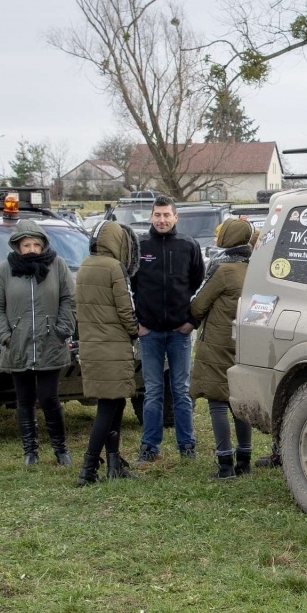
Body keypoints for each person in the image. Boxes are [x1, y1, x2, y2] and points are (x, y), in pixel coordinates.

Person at [0, 224, 77, 467]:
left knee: (49, 398)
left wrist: (62, 330)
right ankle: (30, 451)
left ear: (44, 245)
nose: (32, 249)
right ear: (18, 246)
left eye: (36, 244)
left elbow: (69, 299)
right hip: (18, 344)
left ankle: (60, 449)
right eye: (27, 245)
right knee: (24, 399)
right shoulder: (5, 270)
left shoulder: (57, 266)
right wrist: (6, 336)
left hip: (50, 343)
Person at [130, 196, 204, 461]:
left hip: (179, 332)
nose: (162, 220)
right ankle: (150, 447)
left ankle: (187, 446)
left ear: (176, 218)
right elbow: (129, 286)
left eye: (166, 215)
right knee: (152, 391)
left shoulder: (188, 246)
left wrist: (190, 322)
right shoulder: (139, 246)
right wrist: (137, 324)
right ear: (151, 216)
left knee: (181, 391)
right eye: (157, 215)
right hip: (149, 332)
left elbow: (197, 285)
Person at [75, 221, 140, 484]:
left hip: (92, 346)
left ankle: (114, 462)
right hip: (113, 347)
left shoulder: (84, 266)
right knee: (107, 408)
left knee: (115, 403)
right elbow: (126, 309)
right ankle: (88, 469)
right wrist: (135, 330)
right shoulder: (115, 268)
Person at [190, 217, 256, 479]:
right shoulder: (254, 269)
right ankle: (245, 460)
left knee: (218, 402)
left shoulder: (223, 270)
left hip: (218, 343)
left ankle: (225, 464)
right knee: (239, 403)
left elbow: (198, 305)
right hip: (244, 342)